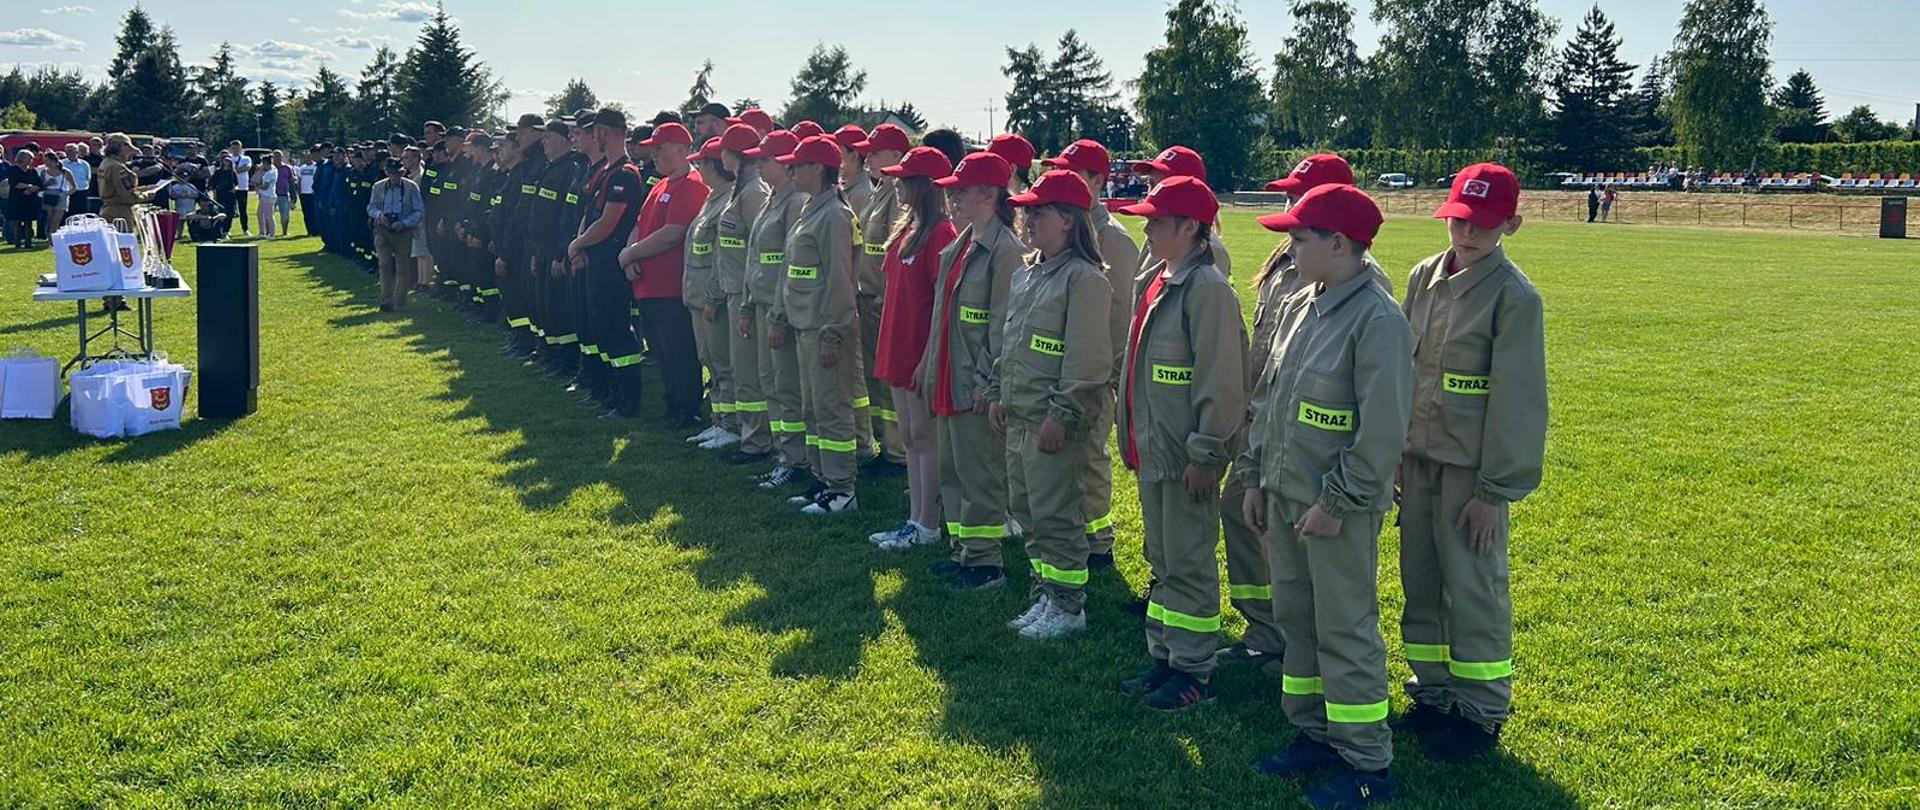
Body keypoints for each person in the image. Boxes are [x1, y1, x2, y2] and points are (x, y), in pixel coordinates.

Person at [1239, 183, 1408, 809]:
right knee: (1298, 621)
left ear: (1339, 244)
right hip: (1284, 496)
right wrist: (1256, 476)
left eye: (1299, 236)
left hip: (1332, 510)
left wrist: (1337, 502)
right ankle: (1315, 731)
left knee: (1345, 628)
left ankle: (1367, 762)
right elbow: (1271, 400)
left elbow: (1383, 429)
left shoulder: (1378, 320)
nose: (1289, 246)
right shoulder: (1303, 303)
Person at [1394, 163, 1547, 763]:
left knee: (1474, 589)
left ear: (1512, 223)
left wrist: (1494, 490)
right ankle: (1432, 694)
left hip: (1470, 474)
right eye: (1458, 218)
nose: (1467, 233)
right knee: (1421, 583)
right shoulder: (1422, 278)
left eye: (1482, 223)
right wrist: (1399, 450)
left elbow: (1518, 401)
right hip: (1419, 461)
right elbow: (1406, 370)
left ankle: (1480, 713)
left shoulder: (1514, 298)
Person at [1218, 154, 1391, 672]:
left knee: (1333, 601)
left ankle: (1343, 719)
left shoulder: (1365, 293)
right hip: (1270, 425)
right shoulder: (1293, 264)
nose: (1289, 205)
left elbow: (1375, 405)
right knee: (1252, 525)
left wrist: (1344, 491)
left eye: (1300, 197)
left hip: (1319, 462)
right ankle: (1272, 630)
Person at [1112, 174, 1249, 710]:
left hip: (1186, 455)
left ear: (1190, 227)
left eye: (1157, 221)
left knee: (1189, 562)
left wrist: (1207, 452)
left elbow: (1220, 380)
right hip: (1156, 450)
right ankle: (1165, 658)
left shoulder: (1208, 290)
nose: (1146, 230)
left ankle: (1196, 670)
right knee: (1164, 559)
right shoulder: (1161, 279)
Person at [993, 168, 1114, 639]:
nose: (1028, 220)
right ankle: (1045, 592)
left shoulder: (1084, 280)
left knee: (1056, 515)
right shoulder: (1030, 273)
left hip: (1050, 420)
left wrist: (1061, 414)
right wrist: (997, 393)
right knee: (1028, 511)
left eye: (1039, 212)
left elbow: (1086, 360)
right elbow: (1014, 340)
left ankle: (1068, 607)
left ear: (1068, 219)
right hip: (1020, 413)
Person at [921, 152, 1021, 590]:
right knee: (953, 470)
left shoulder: (1006, 251)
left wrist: (989, 381)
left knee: (980, 474)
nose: (951, 196)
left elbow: (1003, 325)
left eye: (961, 190)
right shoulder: (962, 243)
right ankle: (963, 551)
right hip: (950, 374)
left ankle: (985, 563)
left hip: (975, 382)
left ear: (989, 194)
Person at [1041, 137, 1141, 567]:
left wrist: (1104, 375)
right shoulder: (1071, 231)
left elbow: (1117, 315)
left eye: (1073, 170)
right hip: (1064, 365)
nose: (1060, 176)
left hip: (1095, 370)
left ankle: (1097, 539)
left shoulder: (1112, 239)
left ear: (1098, 180)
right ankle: (1075, 530)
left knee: (1090, 456)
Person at [866, 146, 958, 550]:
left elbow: (942, 303)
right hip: (896, 343)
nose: (897, 184)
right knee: (909, 435)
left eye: (905, 178)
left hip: (918, 349)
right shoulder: (908, 227)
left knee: (924, 438)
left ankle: (928, 523)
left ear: (924, 185)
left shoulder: (941, 233)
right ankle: (915, 518)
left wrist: (928, 359)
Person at [775, 135, 861, 515]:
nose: (791, 171)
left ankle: (843, 488)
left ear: (818, 169)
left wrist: (833, 334)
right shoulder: (811, 209)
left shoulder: (834, 216)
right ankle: (823, 478)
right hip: (804, 324)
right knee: (813, 407)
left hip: (823, 328)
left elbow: (841, 281)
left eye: (798, 165)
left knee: (831, 408)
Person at [619, 122, 710, 430]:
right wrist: (630, 254)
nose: (653, 154)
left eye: (660, 148)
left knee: (680, 351)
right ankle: (674, 404)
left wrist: (631, 254)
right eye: (652, 149)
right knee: (661, 351)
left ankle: (688, 408)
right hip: (648, 285)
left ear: (683, 150)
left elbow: (674, 234)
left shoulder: (692, 185)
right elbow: (639, 224)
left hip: (672, 286)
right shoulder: (660, 184)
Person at [566, 107, 650, 418]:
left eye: (596, 130)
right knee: (600, 328)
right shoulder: (605, 171)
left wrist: (577, 244)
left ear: (605, 132)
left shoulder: (625, 174)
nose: (591, 136)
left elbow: (609, 222)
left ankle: (628, 399)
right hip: (594, 258)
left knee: (616, 330)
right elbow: (590, 215)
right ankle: (608, 391)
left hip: (610, 263)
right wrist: (580, 247)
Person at [743, 129, 811, 490]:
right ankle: (785, 455)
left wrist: (780, 315)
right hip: (761, 303)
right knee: (771, 383)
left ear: (786, 164)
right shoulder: (772, 199)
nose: (759, 164)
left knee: (787, 387)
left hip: (778, 308)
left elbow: (789, 263)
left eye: (765, 158)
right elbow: (756, 256)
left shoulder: (795, 203)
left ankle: (795, 459)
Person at [852, 123, 912, 476]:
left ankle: (897, 450)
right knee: (876, 377)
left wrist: (886, 298)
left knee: (890, 383)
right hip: (868, 298)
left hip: (882, 300)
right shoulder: (879, 192)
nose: (868, 157)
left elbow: (896, 255)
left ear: (896, 155)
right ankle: (885, 443)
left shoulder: (899, 195)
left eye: (875, 152)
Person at [682, 132, 746, 443]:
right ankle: (719, 419)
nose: (700, 170)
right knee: (709, 359)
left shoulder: (728, 200)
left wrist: (713, 296)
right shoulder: (714, 197)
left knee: (722, 362)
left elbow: (725, 257)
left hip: (713, 297)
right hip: (697, 293)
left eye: (702, 164)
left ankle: (731, 425)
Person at [714, 124, 772, 461]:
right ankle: (749, 433)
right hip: (733, 290)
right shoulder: (742, 190)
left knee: (749, 371)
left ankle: (757, 439)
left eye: (724, 150)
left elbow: (757, 248)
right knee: (740, 367)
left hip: (745, 293)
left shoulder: (753, 193)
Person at [1129, 145, 1231, 275]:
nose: (1151, 194)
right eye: (1150, 184)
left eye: (1160, 186)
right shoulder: (1159, 237)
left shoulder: (1208, 251)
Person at [366, 157, 425, 311]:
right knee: (384, 264)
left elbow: (419, 211)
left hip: (403, 231)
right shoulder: (378, 187)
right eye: (391, 173)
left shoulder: (411, 187)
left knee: (402, 266)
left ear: (402, 171)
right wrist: (380, 216)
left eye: (397, 173)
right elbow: (371, 208)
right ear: (386, 172)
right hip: (382, 229)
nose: (394, 176)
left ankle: (400, 299)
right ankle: (386, 300)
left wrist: (404, 223)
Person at [5, 150, 42, 248]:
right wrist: (29, 186)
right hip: (17, 200)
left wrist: (32, 189)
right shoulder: (13, 170)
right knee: (17, 222)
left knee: (28, 222)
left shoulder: (32, 171)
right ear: (22, 158)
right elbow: (15, 183)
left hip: (30, 200)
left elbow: (39, 184)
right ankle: (17, 243)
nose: (31, 161)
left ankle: (28, 243)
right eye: (29, 159)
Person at [39, 150, 77, 235]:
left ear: (53, 160)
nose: (45, 163)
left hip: (61, 195)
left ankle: (54, 238)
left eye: (47, 161)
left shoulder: (65, 172)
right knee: (50, 219)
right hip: (48, 195)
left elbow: (74, 186)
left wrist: (66, 194)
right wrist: (47, 184)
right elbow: (40, 186)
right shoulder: (44, 172)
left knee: (56, 220)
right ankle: (50, 238)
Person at [227, 141, 253, 235]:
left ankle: (245, 229)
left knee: (243, 209)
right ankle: (227, 229)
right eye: (233, 148)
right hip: (231, 187)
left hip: (242, 187)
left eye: (237, 148)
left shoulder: (246, 158)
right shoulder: (228, 157)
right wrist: (238, 169)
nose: (235, 150)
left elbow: (247, 168)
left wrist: (235, 169)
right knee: (229, 209)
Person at [62, 145, 92, 221]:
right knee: (66, 215)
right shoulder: (62, 164)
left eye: (71, 151)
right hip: (68, 193)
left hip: (81, 192)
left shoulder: (84, 164)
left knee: (80, 215)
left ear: (77, 152)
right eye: (67, 151)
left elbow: (88, 177)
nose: (69, 153)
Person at [253, 156, 279, 238]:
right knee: (260, 214)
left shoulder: (269, 173)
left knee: (269, 215)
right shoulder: (273, 170)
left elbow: (265, 187)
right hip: (268, 195)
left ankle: (271, 233)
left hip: (267, 196)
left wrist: (256, 184)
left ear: (265, 163)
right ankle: (263, 232)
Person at [299, 146, 321, 237]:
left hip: (312, 193)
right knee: (306, 213)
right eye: (305, 157)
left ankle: (316, 230)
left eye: (309, 156)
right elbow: (300, 180)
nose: (307, 158)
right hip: (304, 194)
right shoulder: (302, 168)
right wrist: (299, 191)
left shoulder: (315, 166)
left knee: (314, 213)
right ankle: (309, 230)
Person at [274, 150, 295, 235]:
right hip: (271, 195)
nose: (277, 158)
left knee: (285, 215)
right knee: (268, 215)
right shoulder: (268, 167)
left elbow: (291, 181)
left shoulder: (287, 168)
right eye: (275, 156)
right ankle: (269, 232)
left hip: (284, 194)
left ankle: (284, 232)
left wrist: (293, 195)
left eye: (279, 156)